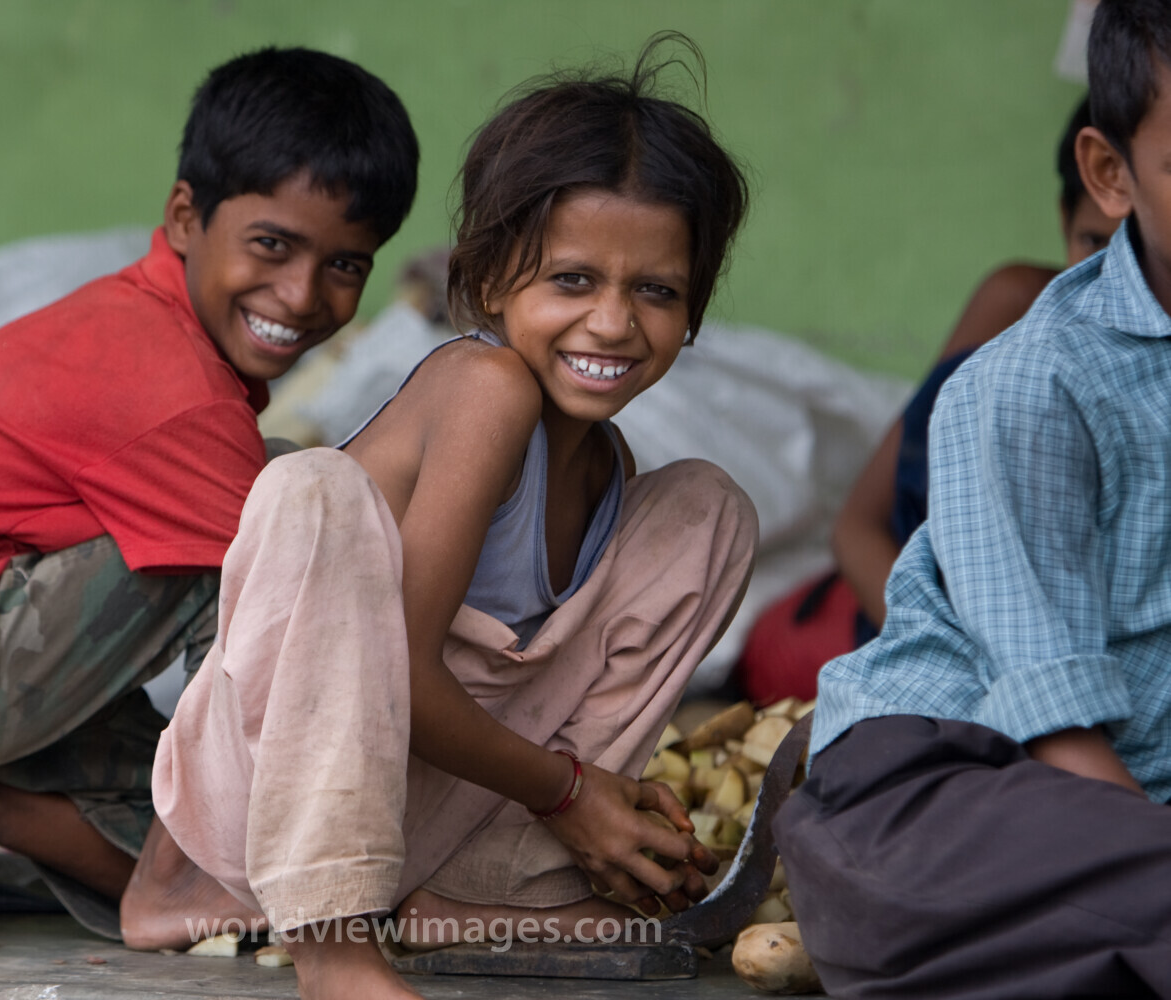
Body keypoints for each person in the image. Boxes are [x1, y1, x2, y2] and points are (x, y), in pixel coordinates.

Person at [148, 35, 757, 1000]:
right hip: (271, 810)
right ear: (491, 278)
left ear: (695, 308)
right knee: (315, 488)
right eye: (572, 280)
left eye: (656, 291)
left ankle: (482, 891)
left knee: (709, 510)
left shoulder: (607, 466)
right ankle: (332, 941)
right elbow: (401, 672)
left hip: (420, 819)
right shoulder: (485, 388)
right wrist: (569, 792)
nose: (613, 323)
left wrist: (585, 807)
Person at [0, 47, 419, 953]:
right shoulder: (167, 384)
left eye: (344, 265)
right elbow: (306, 614)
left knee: (266, 853)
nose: (301, 295)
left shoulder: (160, 333)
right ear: (184, 217)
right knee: (290, 512)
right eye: (271, 245)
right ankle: (157, 876)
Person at [776, 1, 1171, 994]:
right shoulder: (1034, 383)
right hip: (932, 798)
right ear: (1111, 174)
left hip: (1119, 835)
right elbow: (1052, 723)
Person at [734, 95, 1118, 705]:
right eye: (1093, 242)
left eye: (1145, 255)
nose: (1111, 283)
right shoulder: (1016, 303)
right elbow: (858, 527)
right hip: (890, 624)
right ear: (1063, 216)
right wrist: (947, 662)